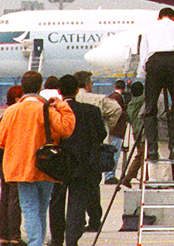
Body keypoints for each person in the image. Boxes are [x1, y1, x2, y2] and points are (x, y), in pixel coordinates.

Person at [0, 71, 75, 246]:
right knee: (41, 208)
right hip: (46, 165)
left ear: (23, 87)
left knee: (29, 208)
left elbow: (2, 139)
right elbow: (66, 128)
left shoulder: (12, 111)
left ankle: (35, 242)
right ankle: (38, 241)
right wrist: (62, 105)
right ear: (40, 87)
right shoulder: (47, 110)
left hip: (20, 167)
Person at [47, 76, 104, 246]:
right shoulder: (91, 111)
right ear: (77, 90)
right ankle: (72, 238)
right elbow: (101, 134)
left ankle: (57, 238)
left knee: (56, 201)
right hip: (82, 162)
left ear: (59, 91)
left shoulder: (54, 110)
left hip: (58, 162)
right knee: (77, 202)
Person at [138, 7, 174, 162]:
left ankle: (152, 149)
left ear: (158, 17)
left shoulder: (149, 29)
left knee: (150, 108)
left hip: (155, 62)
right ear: (173, 18)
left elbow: (144, 55)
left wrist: (144, 73)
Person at [69, 72, 117, 232]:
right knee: (92, 187)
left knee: (73, 188)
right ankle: (95, 220)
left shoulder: (67, 102)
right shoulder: (98, 99)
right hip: (93, 149)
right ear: (88, 84)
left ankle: (77, 220)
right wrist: (108, 127)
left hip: (72, 149)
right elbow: (116, 109)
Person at [1, 85, 24, 246]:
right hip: (14, 158)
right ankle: (14, 235)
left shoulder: (4, 115)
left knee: (5, 197)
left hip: (3, 158)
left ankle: (4, 235)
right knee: (14, 198)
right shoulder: (17, 114)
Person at [103, 81, 127, 185]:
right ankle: (110, 175)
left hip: (112, 129)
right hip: (116, 130)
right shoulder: (118, 98)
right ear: (124, 88)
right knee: (114, 154)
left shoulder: (110, 97)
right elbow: (120, 112)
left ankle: (109, 174)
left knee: (111, 153)